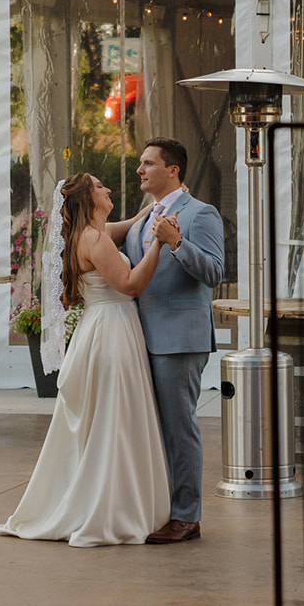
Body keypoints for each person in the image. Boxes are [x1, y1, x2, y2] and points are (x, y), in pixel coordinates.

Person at [0, 172, 171, 547]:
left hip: (99, 329)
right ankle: (109, 510)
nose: (108, 189)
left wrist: (150, 212)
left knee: (107, 421)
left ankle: (101, 499)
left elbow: (122, 229)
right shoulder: (95, 240)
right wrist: (158, 242)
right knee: (115, 420)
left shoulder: (86, 236)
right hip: (113, 331)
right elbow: (130, 285)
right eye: (101, 187)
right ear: (89, 200)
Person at [119, 138, 224, 543]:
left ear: (173, 170)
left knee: (179, 429)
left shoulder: (201, 214)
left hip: (180, 339)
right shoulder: (145, 217)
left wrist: (178, 243)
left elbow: (214, 272)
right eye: (141, 163)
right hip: (139, 337)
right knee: (150, 429)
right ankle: (159, 507)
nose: (140, 170)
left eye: (148, 163)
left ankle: (186, 517)